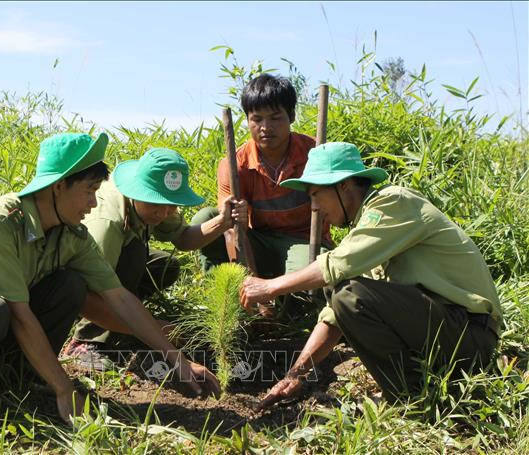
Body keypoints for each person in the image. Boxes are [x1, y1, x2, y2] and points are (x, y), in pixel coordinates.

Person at [0, 133, 220, 439]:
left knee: (70, 285)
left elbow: (120, 299)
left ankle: (19, 385)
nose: (94, 203)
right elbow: (19, 316)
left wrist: (177, 359)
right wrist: (65, 386)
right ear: (58, 187)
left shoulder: (71, 235)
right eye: (89, 190)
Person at [240, 142, 503, 408]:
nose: (314, 207)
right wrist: (295, 375)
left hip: (470, 335)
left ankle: (411, 397)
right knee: (342, 293)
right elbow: (335, 315)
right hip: (449, 331)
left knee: (348, 294)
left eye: (316, 195)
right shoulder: (370, 229)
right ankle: (418, 390)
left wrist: (270, 287)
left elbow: (338, 268)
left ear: (343, 185)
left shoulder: (394, 202)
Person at [62, 147, 247, 368]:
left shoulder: (157, 205)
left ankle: (121, 320)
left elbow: (184, 239)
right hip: (68, 285)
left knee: (164, 266)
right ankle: (84, 341)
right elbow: (87, 295)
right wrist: (152, 328)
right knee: (133, 256)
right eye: (156, 205)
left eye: (171, 205)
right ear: (136, 192)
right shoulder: (107, 224)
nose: (164, 213)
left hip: (104, 273)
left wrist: (222, 222)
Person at [192, 73, 330, 318]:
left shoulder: (314, 153)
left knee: (302, 293)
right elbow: (232, 229)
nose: (265, 128)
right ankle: (233, 299)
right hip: (260, 241)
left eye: (276, 118)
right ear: (247, 120)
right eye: (257, 119)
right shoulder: (236, 164)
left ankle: (292, 307)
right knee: (206, 218)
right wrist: (254, 285)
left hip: (304, 242)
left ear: (291, 117)